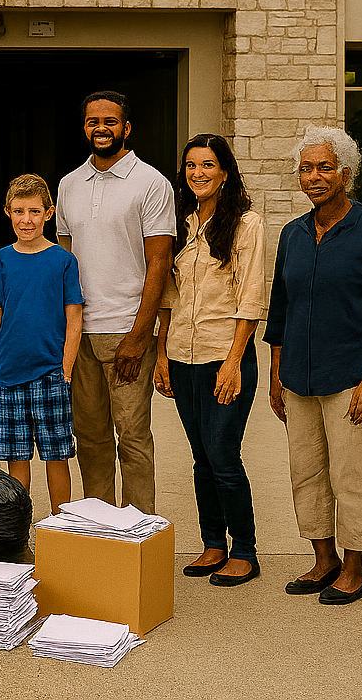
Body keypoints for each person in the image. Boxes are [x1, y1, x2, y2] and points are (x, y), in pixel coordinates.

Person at [266, 125, 362, 605]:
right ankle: (323, 558)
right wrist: (276, 374)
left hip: (351, 376)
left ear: (346, 173)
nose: (314, 176)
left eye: (325, 167)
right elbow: (280, 310)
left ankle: (353, 567)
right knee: (306, 472)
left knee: (351, 475)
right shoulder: (293, 234)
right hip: (298, 376)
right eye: (306, 168)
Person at [153, 135, 266, 587]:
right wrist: (161, 354)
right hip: (183, 355)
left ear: (224, 172)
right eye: (191, 165)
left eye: (207, 165)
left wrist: (234, 362)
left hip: (225, 356)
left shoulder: (246, 224)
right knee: (201, 457)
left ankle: (245, 550)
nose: (198, 173)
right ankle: (213, 544)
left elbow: (251, 298)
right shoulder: (179, 223)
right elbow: (169, 295)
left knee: (223, 455)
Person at [55, 90, 175, 513]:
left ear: (126, 127)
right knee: (90, 439)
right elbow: (63, 261)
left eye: (110, 121)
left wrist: (140, 337)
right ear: (84, 127)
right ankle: (100, 528)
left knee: (133, 439)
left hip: (126, 329)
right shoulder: (68, 185)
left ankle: (138, 531)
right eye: (93, 121)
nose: (101, 128)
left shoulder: (151, 183)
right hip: (79, 333)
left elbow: (159, 264)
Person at [0, 174, 83, 515]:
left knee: (56, 456)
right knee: (16, 459)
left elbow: (74, 318)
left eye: (34, 212)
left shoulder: (63, 260)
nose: (26, 220)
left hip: (51, 373)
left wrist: (65, 370)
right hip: (9, 374)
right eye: (19, 211)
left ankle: (61, 525)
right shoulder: (1, 259)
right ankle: (17, 529)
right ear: (8, 212)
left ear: (48, 213)